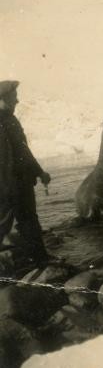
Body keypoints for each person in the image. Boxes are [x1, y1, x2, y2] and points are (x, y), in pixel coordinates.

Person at [0, 80, 51, 266]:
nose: (17, 101)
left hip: (20, 182)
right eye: (14, 97)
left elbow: (23, 152)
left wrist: (39, 172)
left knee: (29, 220)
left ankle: (39, 259)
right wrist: (9, 186)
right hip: (8, 184)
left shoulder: (11, 119)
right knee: (4, 223)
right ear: (3, 98)